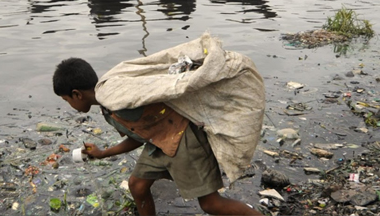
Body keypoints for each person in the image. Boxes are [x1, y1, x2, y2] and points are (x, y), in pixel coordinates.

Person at [53, 58, 262, 216]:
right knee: (137, 185)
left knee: (210, 204)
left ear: (77, 94)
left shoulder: (117, 98)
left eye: (65, 100)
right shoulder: (109, 107)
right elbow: (137, 138)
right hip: (158, 142)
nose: (68, 104)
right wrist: (103, 153)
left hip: (183, 140)